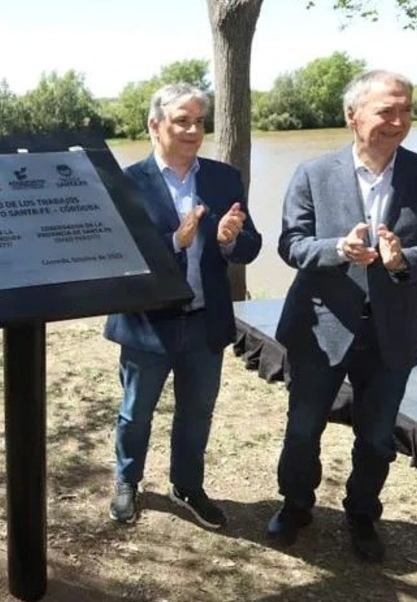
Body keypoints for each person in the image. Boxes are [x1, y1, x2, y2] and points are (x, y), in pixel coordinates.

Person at [268, 70, 417, 562]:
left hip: (392, 331)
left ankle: (361, 515)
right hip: (320, 327)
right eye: (386, 111)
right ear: (352, 115)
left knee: (377, 438)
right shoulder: (313, 173)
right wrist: (338, 249)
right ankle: (295, 506)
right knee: (302, 429)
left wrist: (404, 261)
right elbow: (290, 245)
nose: (398, 121)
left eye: (406, 111)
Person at [104, 84, 262, 528]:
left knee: (197, 412)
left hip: (203, 322)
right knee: (136, 411)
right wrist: (177, 241)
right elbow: (121, 257)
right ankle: (127, 479)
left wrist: (230, 241)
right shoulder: (127, 182)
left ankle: (187, 485)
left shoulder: (223, 178)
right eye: (182, 120)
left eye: (199, 121)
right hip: (147, 323)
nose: (193, 130)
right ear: (155, 125)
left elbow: (250, 244)